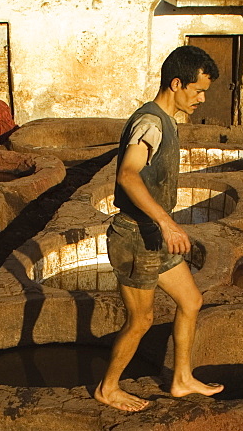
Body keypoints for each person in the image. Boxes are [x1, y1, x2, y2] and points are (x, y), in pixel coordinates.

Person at [95, 44, 224, 412]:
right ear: (176, 83)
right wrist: (168, 223)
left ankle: (181, 379)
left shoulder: (167, 120)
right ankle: (108, 388)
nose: (201, 98)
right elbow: (128, 175)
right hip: (135, 237)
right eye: (198, 90)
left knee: (191, 300)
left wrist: (163, 226)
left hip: (152, 235)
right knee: (142, 320)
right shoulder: (150, 122)